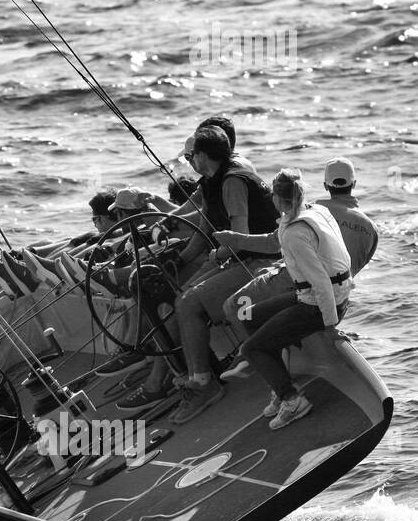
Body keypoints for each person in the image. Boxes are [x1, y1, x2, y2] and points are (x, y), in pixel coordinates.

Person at [117, 125, 279, 416]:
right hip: (236, 256)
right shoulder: (209, 182)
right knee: (179, 294)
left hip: (259, 261)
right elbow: (205, 227)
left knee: (187, 303)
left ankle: (203, 384)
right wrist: (180, 259)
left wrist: (217, 256)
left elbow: (240, 236)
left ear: (204, 156)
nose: (189, 163)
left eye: (192, 156)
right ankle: (186, 373)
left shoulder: (232, 182)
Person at [217, 156, 379, 375]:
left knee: (235, 307)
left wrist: (236, 240)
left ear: (325, 186)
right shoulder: (369, 228)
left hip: (310, 292)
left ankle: (251, 359)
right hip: (338, 297)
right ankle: (272, 351)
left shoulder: (311, 212)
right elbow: (348, 269)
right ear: (354, 184)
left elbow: (277, 246)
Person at [238, 170, 352, 428]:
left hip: (320, 304)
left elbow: (320, 280)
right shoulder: (317, 210)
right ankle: (281, 388)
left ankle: (293, 401)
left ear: (277, 198)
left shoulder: (294, 233)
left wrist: (330, 324)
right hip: (322, 294)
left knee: (252, 348)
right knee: (250, 315)